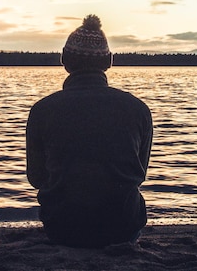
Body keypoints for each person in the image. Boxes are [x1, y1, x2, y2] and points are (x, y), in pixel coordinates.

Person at [26, 14, 153, 248]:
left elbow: (36, 178)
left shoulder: (42, 110)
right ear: (108, 62)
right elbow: (139, 174)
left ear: (65, 61)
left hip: (63, 229)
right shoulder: (138, 109)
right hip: (123, 228)